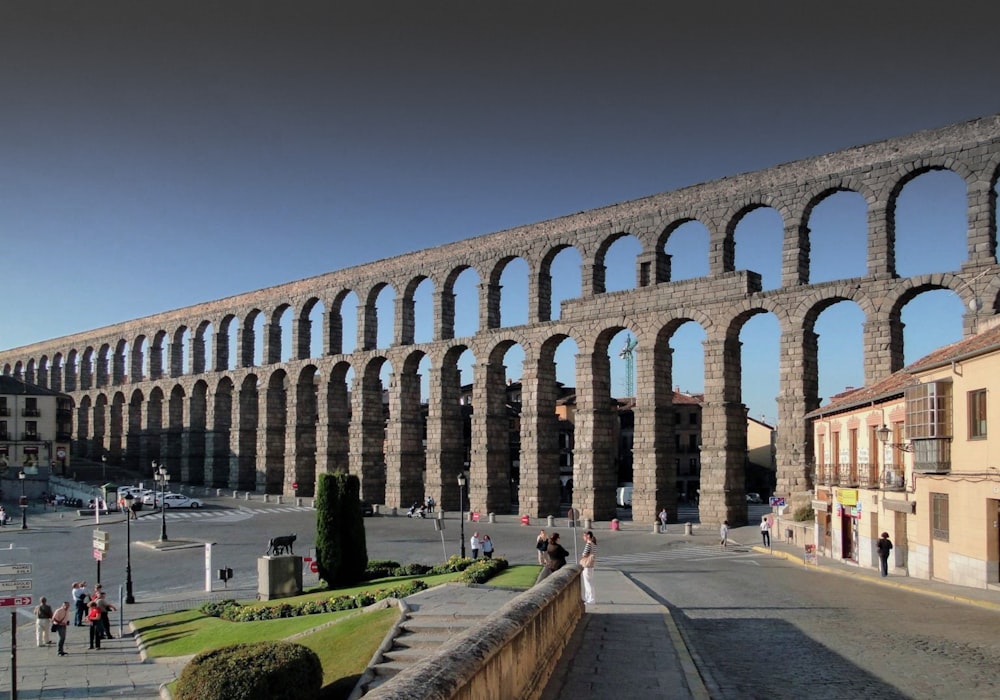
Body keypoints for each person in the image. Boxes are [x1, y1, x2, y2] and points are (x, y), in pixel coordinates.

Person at [580, 531, 597, 604]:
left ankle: (590, 599)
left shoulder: (588, 544)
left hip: (587, 565)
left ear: (588, 536)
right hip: (591, 565)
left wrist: (583, 555)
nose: (583, 537)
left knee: (588, 583)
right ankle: (588, 598)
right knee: (590, 582)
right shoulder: (593, 544)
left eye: (584, 536)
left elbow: (584, 554)